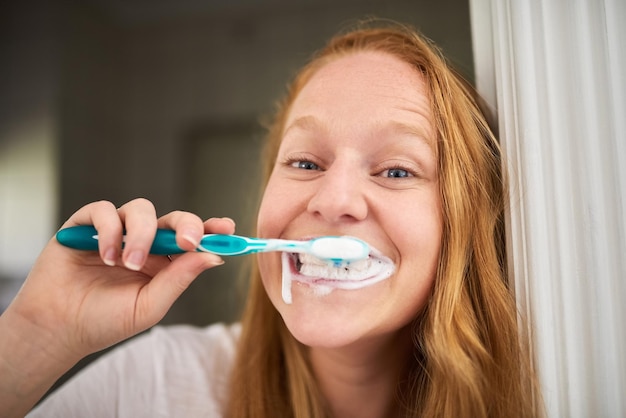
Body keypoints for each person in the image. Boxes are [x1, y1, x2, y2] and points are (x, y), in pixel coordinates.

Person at [0, 21, 542, 417]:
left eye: (396, 171)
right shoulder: (153, 386)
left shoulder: (542, 393)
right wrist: (36, 334)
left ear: (463, 223)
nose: (332, 201)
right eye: (304, 162)